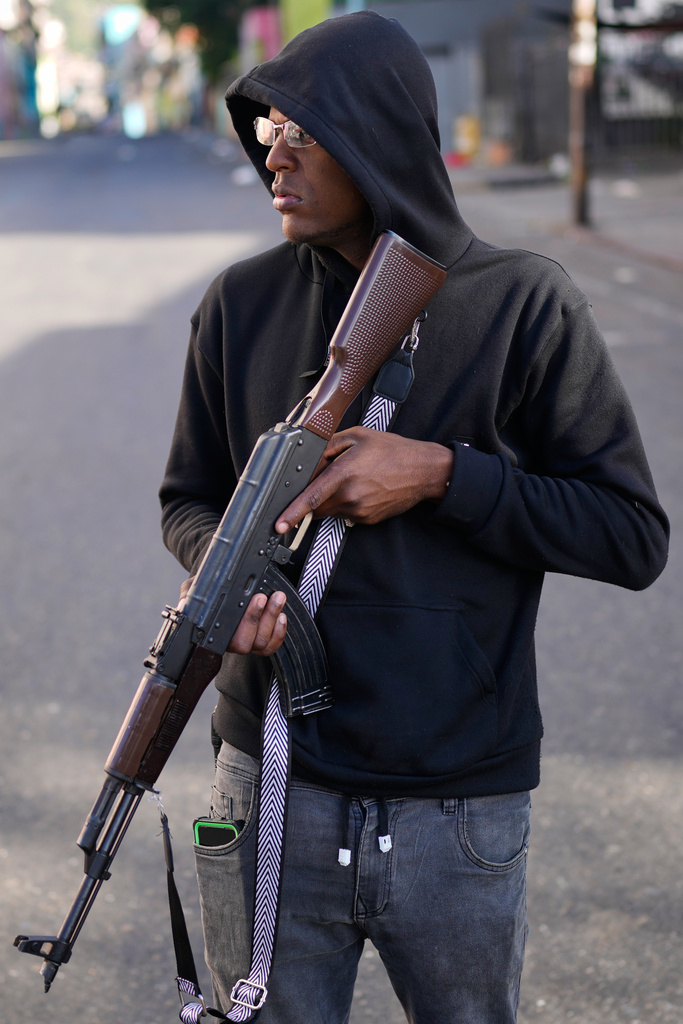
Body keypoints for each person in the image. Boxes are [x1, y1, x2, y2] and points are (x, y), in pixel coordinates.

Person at [159, 11, 668, 1024]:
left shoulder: (523, 303)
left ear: (375, 145)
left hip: (456, 810)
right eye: (267, 134)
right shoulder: (237, 303)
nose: (274, 157)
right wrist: (236, 571)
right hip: (267, 785)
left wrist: (441, 475)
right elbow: (188, 496)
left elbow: (628, 533)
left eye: (302, 136)